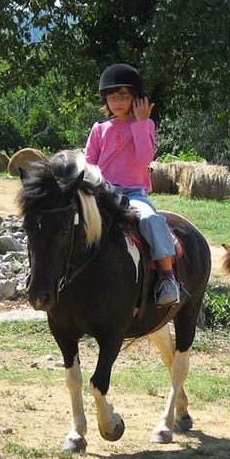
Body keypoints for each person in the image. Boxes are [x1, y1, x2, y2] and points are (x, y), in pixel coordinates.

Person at [85, 63, 180, 306]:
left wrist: (141, 121)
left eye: (123, 95)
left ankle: (167, 277)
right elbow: (89, 163)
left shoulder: (145, 125)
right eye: (112, 96)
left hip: (133, 194)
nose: (116, 101)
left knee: (149, 219)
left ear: (135, 99)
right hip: (103, 192)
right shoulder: (99, 129)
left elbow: (145, 157)